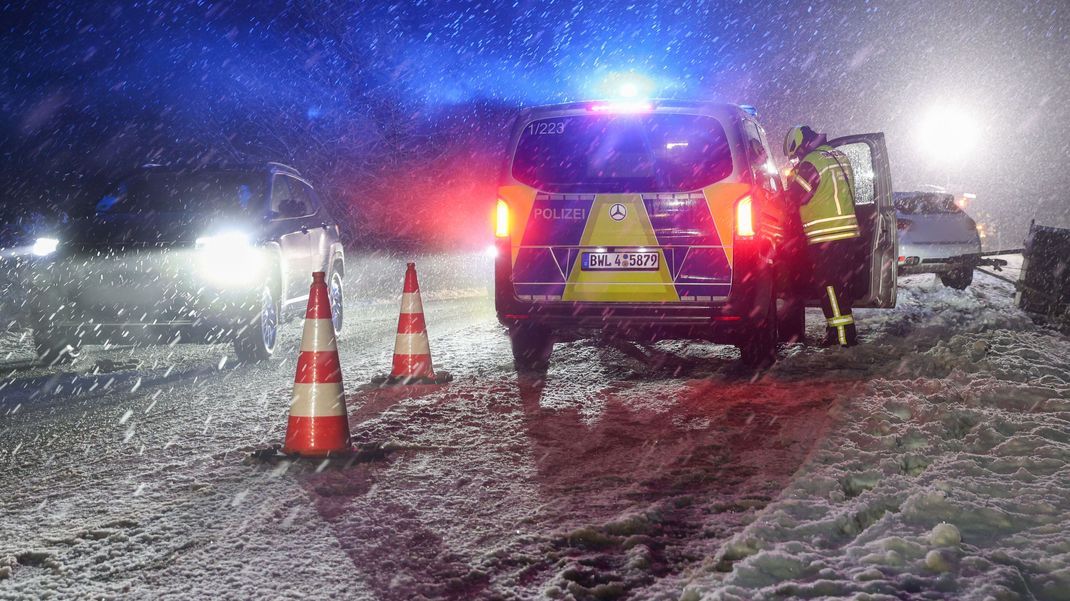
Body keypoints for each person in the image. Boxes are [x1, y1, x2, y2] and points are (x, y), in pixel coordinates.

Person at [783, 125, 861, 347]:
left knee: (829, 287)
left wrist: (780, 194)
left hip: (827, 235)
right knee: (840, 288)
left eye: (795, 156)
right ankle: (841, 331)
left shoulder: (812, 163)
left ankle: (842, 338)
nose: (796, 161)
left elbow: (796, 197)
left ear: (800, 146)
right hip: (847, 233)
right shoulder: (839, 156)